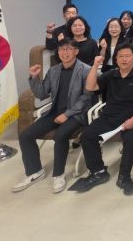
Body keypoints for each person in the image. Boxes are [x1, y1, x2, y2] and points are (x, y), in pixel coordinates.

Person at [13, 38, 92, 193]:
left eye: (69, 49)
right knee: (25, 135)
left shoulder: (86, 70)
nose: (65, 52)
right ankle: (35, 171)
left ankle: (58, 175)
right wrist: (34, 77)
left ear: (76, 51)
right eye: (62, 49)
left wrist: (67, 114)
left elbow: (86, 98)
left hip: (76, 114)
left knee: (60, 135)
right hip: (55, 112)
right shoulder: (54, 70)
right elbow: (42, 93)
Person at [74, 42, 133, 195]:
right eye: (120, 56)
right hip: (108, 116)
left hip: (130, 118)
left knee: (131, 139)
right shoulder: (110, 75)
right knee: (87, 135)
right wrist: (95, 66)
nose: (124, 59)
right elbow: (90, 87)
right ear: (116, 59)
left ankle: (124, 176)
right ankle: (98, 172)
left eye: (127, 56)